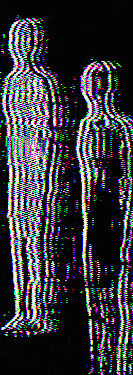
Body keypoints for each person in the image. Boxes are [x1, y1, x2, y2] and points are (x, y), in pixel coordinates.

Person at [1, 18, 64, 335]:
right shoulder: (13, 80)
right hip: (20, 169)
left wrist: (47, 174)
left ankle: (43, 312)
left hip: (43, 173)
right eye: (19, 39)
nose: (24, 46)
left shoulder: (46, 81)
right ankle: (22, 310)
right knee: (20, 242)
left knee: (41, 243)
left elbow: (52, 132)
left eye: (30, 39)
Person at [77, 60, 132, 374]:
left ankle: (121, 360)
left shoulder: (122, 126)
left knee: (121, 288)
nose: (95, 90)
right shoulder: (89, 123)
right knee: (96, 287)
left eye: (101, 82)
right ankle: (100, 358)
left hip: (118, 214)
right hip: (95, 213)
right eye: (91, 83)